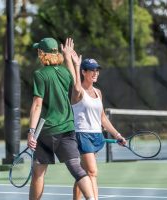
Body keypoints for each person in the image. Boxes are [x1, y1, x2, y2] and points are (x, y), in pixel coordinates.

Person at [27, 37, 95, 200]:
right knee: (77, 169)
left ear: (42, 54)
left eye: (39, 51)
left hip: (47, 131)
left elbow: (37, 104)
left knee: (38, 172)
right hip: (68, 129)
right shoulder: (65, 72)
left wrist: (31, 131)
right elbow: (78, 88)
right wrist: (71, 60)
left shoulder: (40, 74)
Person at [63, 41, 127, 200]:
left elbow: (102, 118)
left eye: (97, 70)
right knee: (92, 172)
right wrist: (69, 59)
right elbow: (74, 79)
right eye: (92, 70)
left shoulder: (98, 92)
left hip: (96, 135)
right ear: (83, 72)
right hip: (81, 135)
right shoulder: (78, 92)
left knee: (82, 174)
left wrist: (117, 134)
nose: (96, 72)